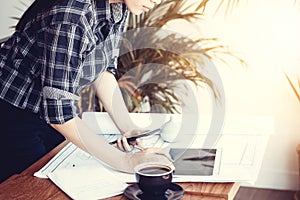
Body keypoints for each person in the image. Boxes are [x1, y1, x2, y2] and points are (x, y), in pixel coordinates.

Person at [0, 0, 169, 183]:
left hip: (48, 113)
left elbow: (102, 71)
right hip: (13, 113)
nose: (157, 0)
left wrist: (129, 129)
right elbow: (58, 112)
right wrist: (125, 161)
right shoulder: (73, 15)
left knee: (59, 174)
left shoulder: (118, 8)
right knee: (28, 186)